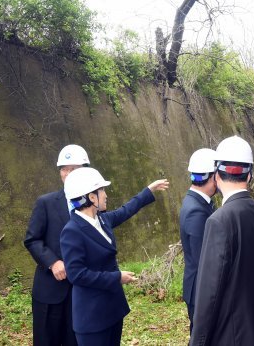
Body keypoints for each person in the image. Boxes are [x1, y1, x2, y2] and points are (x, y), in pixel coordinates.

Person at [59, 167, 169, 345]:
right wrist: (117, 277)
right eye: (101, 190)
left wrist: (148, 190)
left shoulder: (101, 220)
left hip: (112, 309)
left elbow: (125, 210)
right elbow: (76, 274)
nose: (105, 194)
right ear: (91, 197)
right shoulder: (72, 231)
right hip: (92, 317)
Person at [190, 136, 254, 346]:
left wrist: (198, 341)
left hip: (229, 333)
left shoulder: (218, 221)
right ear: (250, 175)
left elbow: (209, 292)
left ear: (217, 176)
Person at [24, 144, 90, 346]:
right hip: (49, 291)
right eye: (64, 169)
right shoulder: (46, 202)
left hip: (81, 292)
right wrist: (52, 262)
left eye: (74, 169)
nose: (68, 174)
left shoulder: (93, 203)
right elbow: (32, 239)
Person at [179, 148, 217, 333]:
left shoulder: (199, 202)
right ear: (212, 177)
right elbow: (205, 258)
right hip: (200, 292)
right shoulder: (196, 210)